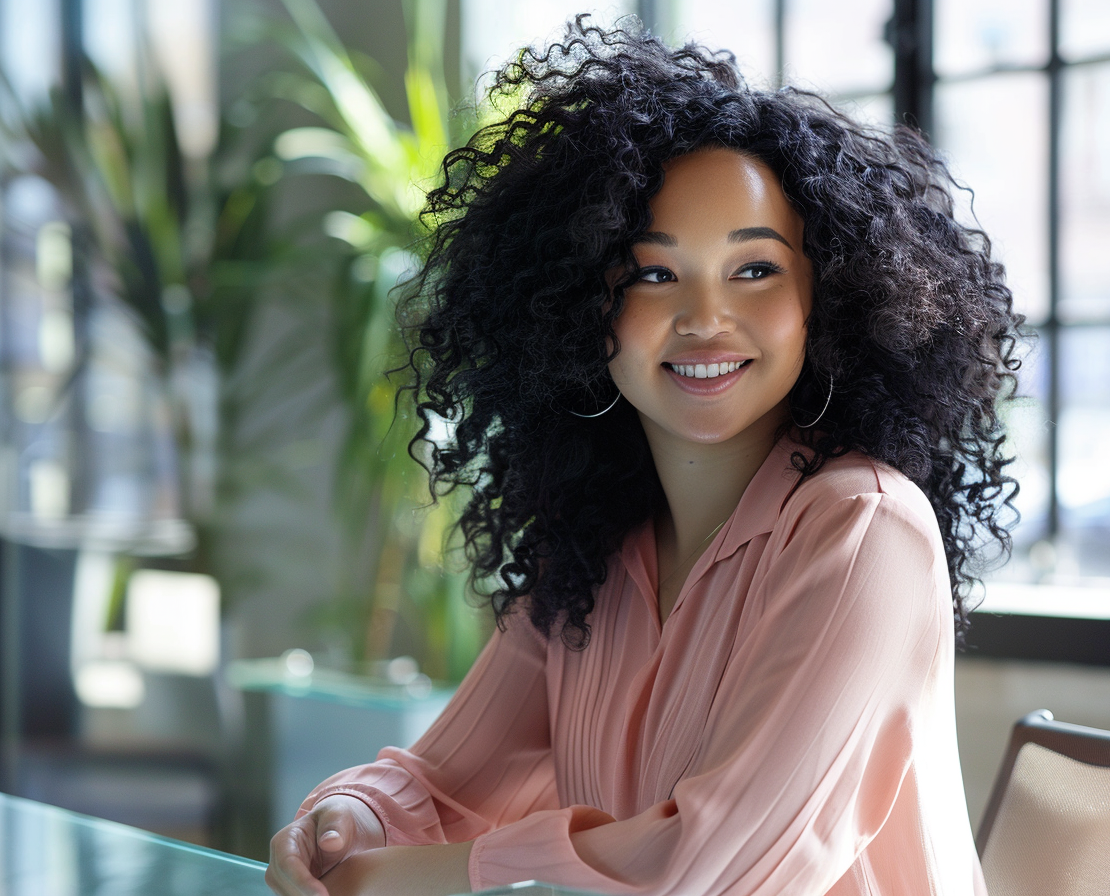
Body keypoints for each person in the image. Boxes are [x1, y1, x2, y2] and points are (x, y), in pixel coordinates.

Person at [266, 17, 1020, 896]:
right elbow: (441, 784)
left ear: (828, 300)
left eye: (755, 271)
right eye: (654, 275)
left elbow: (708, 869)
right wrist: (347, 821)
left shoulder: (865, 530)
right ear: (584, 310)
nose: (704, 317)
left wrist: (396, 879)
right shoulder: (590, 555)